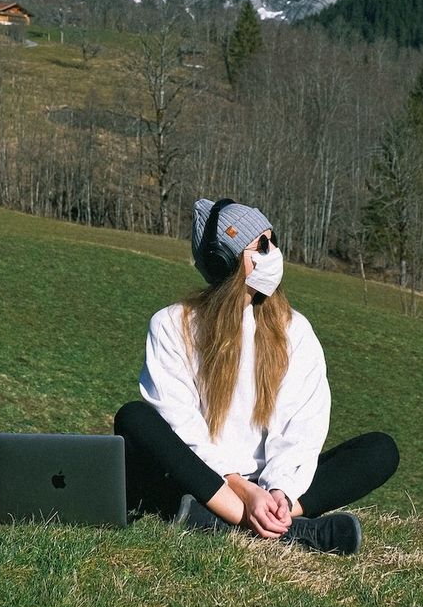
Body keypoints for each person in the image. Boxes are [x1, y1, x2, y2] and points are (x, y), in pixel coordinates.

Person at [114, 197, 400, 555]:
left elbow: (301, 426)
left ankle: (249, 519)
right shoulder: (173, 325)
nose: (274, 252)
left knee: (380, 451)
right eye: (261, 245)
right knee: (134, 420)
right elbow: (181, 428)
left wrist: (277, 491)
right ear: (225, 262)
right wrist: (241, 492)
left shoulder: (294, 329)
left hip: (269, 483)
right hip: (206, 478)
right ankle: (286, 530)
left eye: (274, 240)